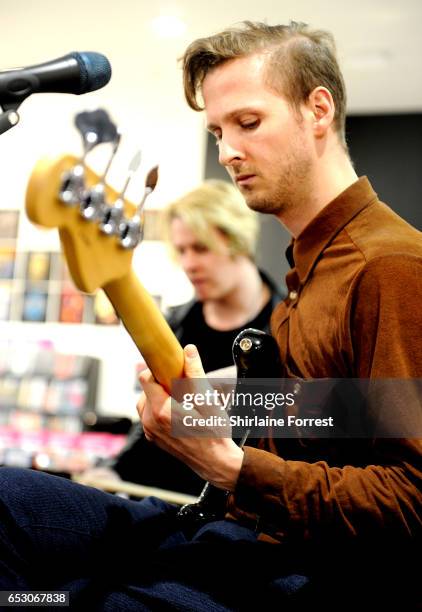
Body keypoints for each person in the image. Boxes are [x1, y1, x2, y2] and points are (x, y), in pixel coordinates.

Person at [0, 20, 421, 610]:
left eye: (248, 123)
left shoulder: (390, 266)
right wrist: (199, 402)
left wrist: (233, 466)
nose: (226, 151)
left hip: (305, 569)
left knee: (58, 601)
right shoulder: (310, 267)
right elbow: (324, 409)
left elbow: (411, 498)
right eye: (218, 131)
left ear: (317, 111)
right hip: (230, 529)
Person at [79, 179, 283, 495]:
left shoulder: (285, 328)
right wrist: (114, 470)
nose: (188, 264)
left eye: (200, 248)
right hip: (154, 498)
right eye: (182, 250)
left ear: (238, 241)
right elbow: (156, 415)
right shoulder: (175, 323)